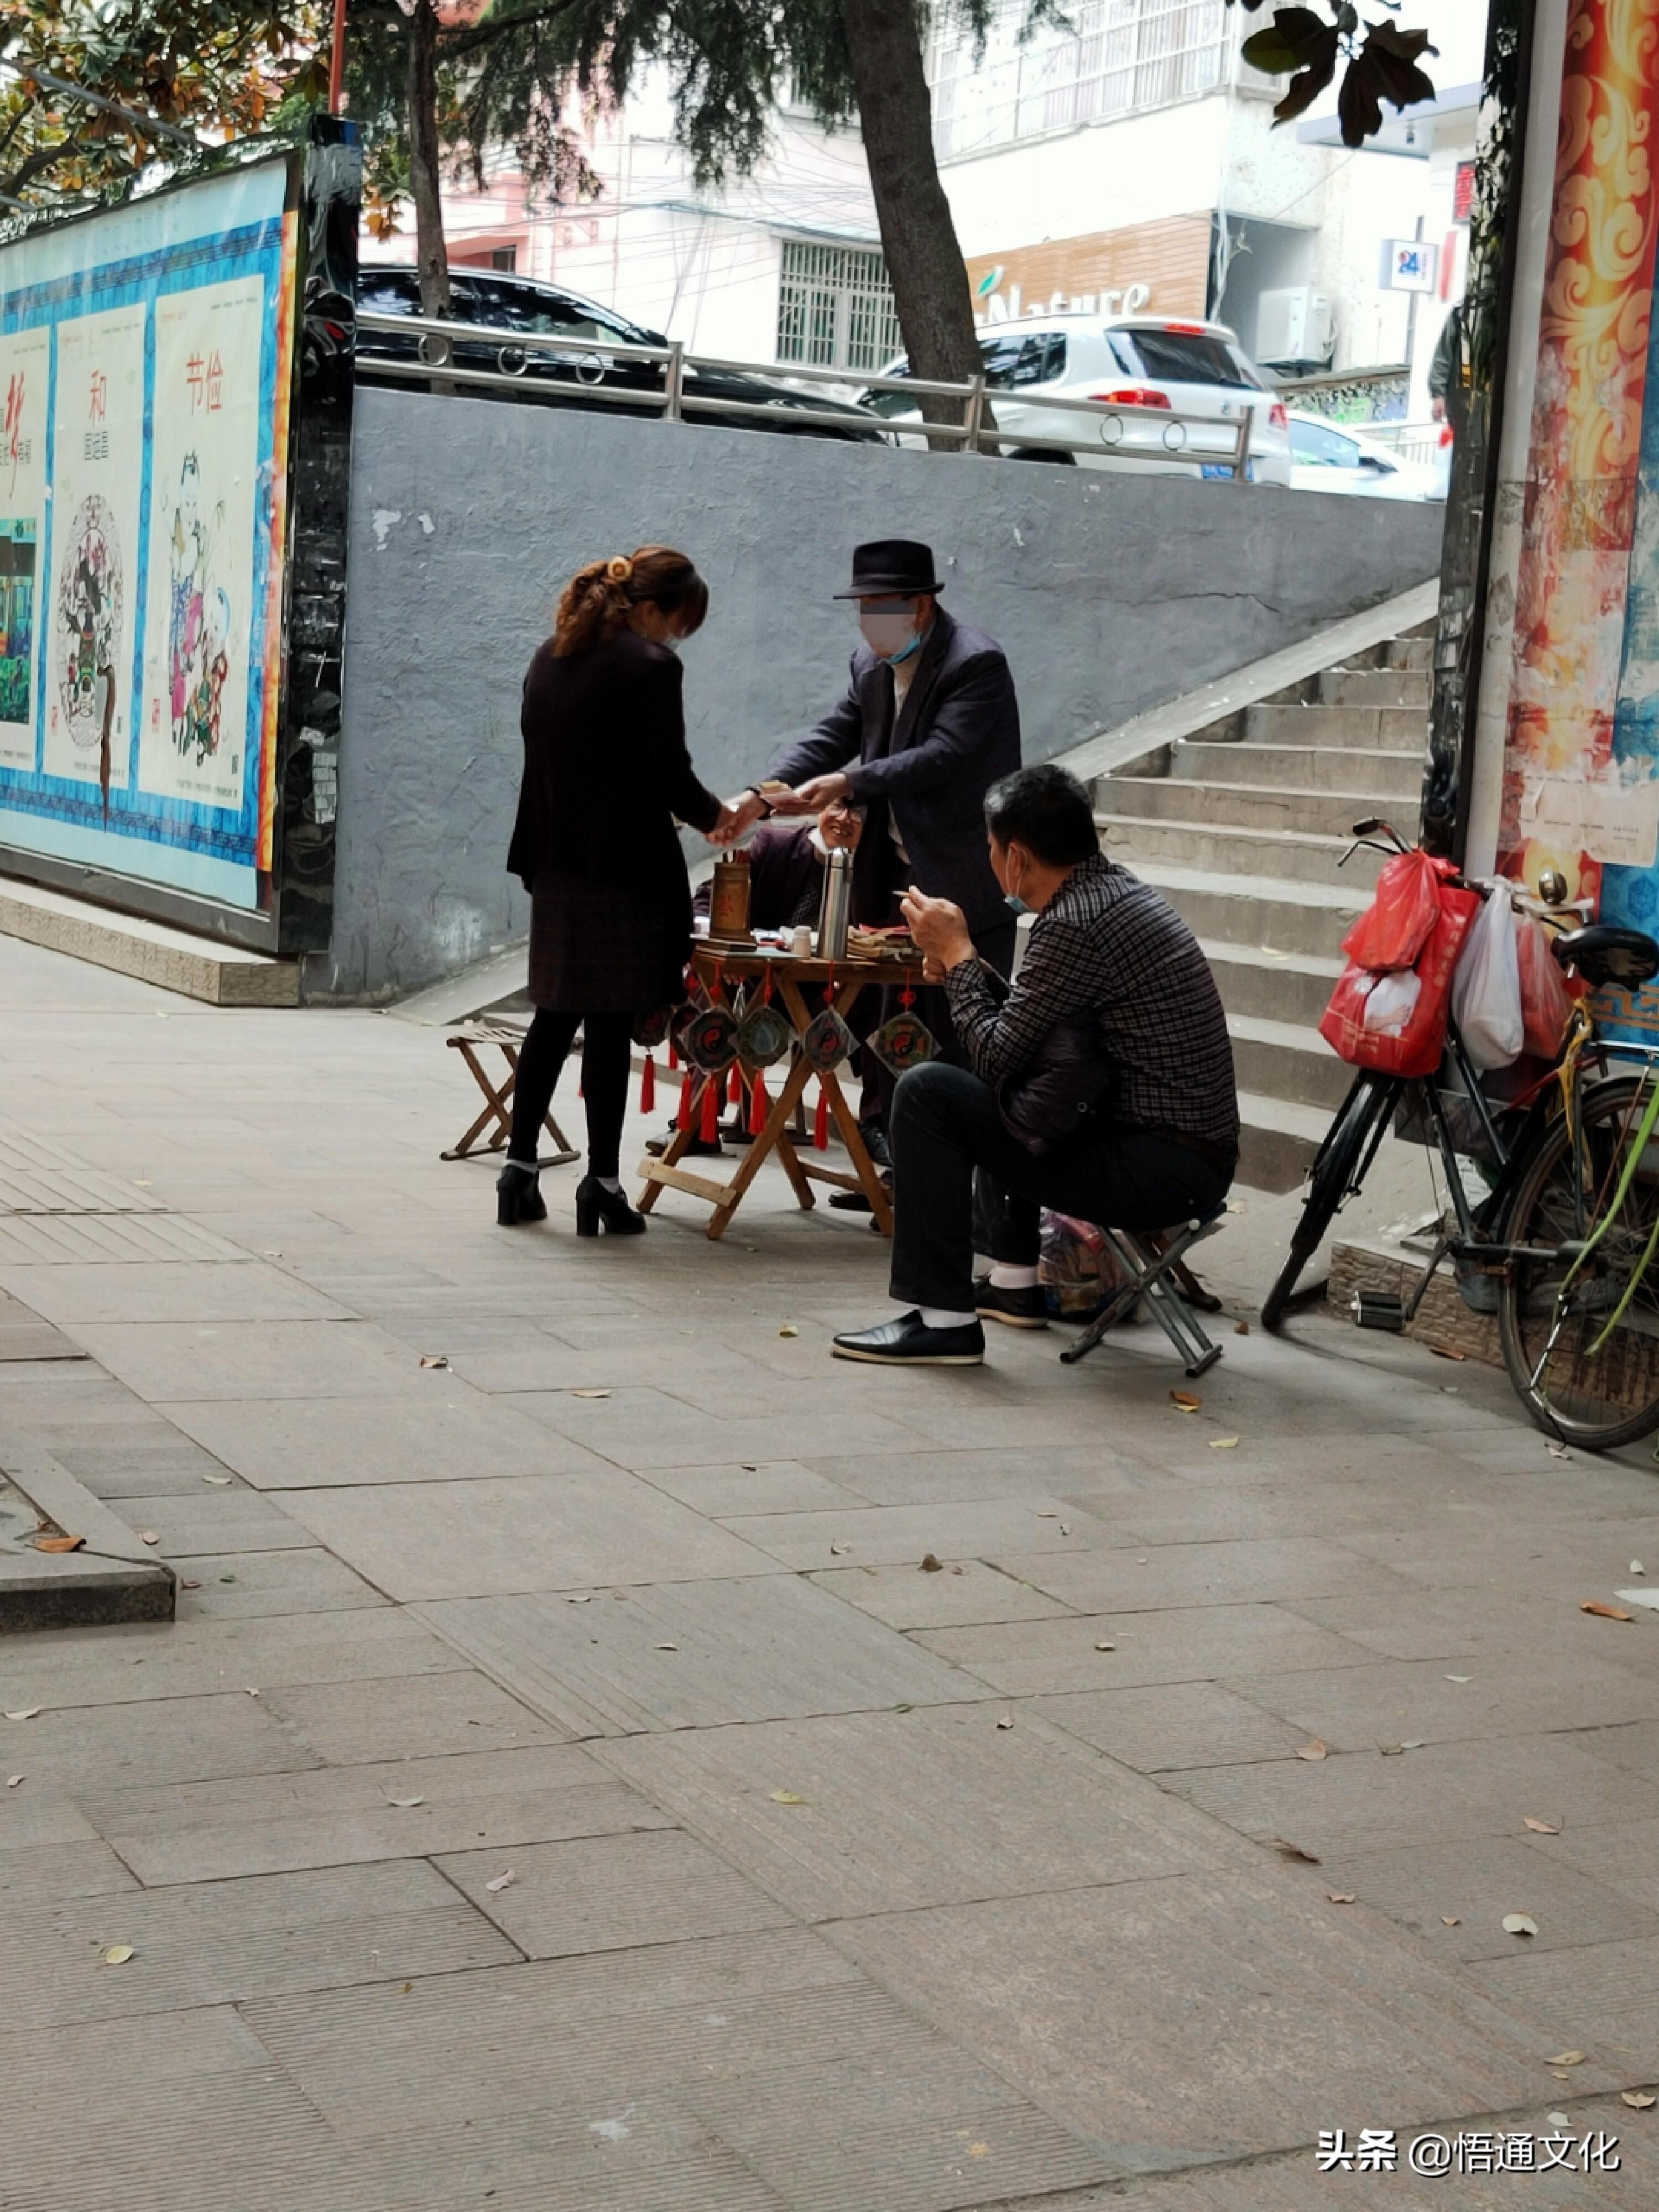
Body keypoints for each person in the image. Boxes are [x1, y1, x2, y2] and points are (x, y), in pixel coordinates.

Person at [830, 764, 1239, 1366]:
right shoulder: (1108, 895)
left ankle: (944, 1323)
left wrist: (960, 954)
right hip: (1185, 1158)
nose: (991, 860)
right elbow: (1028, 1031)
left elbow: (997, 1054)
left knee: (926, 1092)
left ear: (1016, 858)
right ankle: (1014, 1283)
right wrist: (964, 968)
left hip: (1158, 1169)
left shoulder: (1076, 923)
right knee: (1013, 1090)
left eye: (992, 849)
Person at [498, 545, 734, 1235]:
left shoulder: (550, 655)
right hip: (622, 870)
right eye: (678, 623)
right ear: (653, 610)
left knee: (553, 1012)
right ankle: (601, 1185)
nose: (676, 638)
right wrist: (719, 817)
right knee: (605, 1024)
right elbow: (669, 773)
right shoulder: (650, 667)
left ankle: (519, 1170)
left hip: (556, 864)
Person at [718, 537, 1022, 1056]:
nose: (867, 622)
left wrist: (849, 783)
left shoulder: (975, 663)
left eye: (879, 609)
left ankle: (956, 1132)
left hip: (960, 871)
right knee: (888, 1019)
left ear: (921, 605)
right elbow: (835, 733)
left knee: (960, 1025)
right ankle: (880, 1128)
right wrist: (764, 795)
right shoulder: (869, 664)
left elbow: (942, 754)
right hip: (890, 870)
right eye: (862, 609)